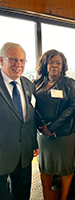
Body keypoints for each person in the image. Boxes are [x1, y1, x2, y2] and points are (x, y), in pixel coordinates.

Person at [34, 49, 75, 200]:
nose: (54, 65)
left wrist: (51, 127)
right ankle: (48, 196)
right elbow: (32, 106)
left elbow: (73, 107)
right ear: (45, 64)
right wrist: (42, 127)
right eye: (51, 62)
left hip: (65, 133)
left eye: (58, 63)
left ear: (63, 66)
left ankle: (63, 197)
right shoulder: (37, 83)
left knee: (65, 167)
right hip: (43, 135)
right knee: (45, 167)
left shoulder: (70, 83)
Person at [0, 42, 38, 200]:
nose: (18, 65)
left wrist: (34, 143)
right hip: (1, 154)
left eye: (22, 61)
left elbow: (30, 119)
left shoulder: (29, 85)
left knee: (22, 194)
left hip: (24, 153)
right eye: (13, 60)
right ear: (1, 61)